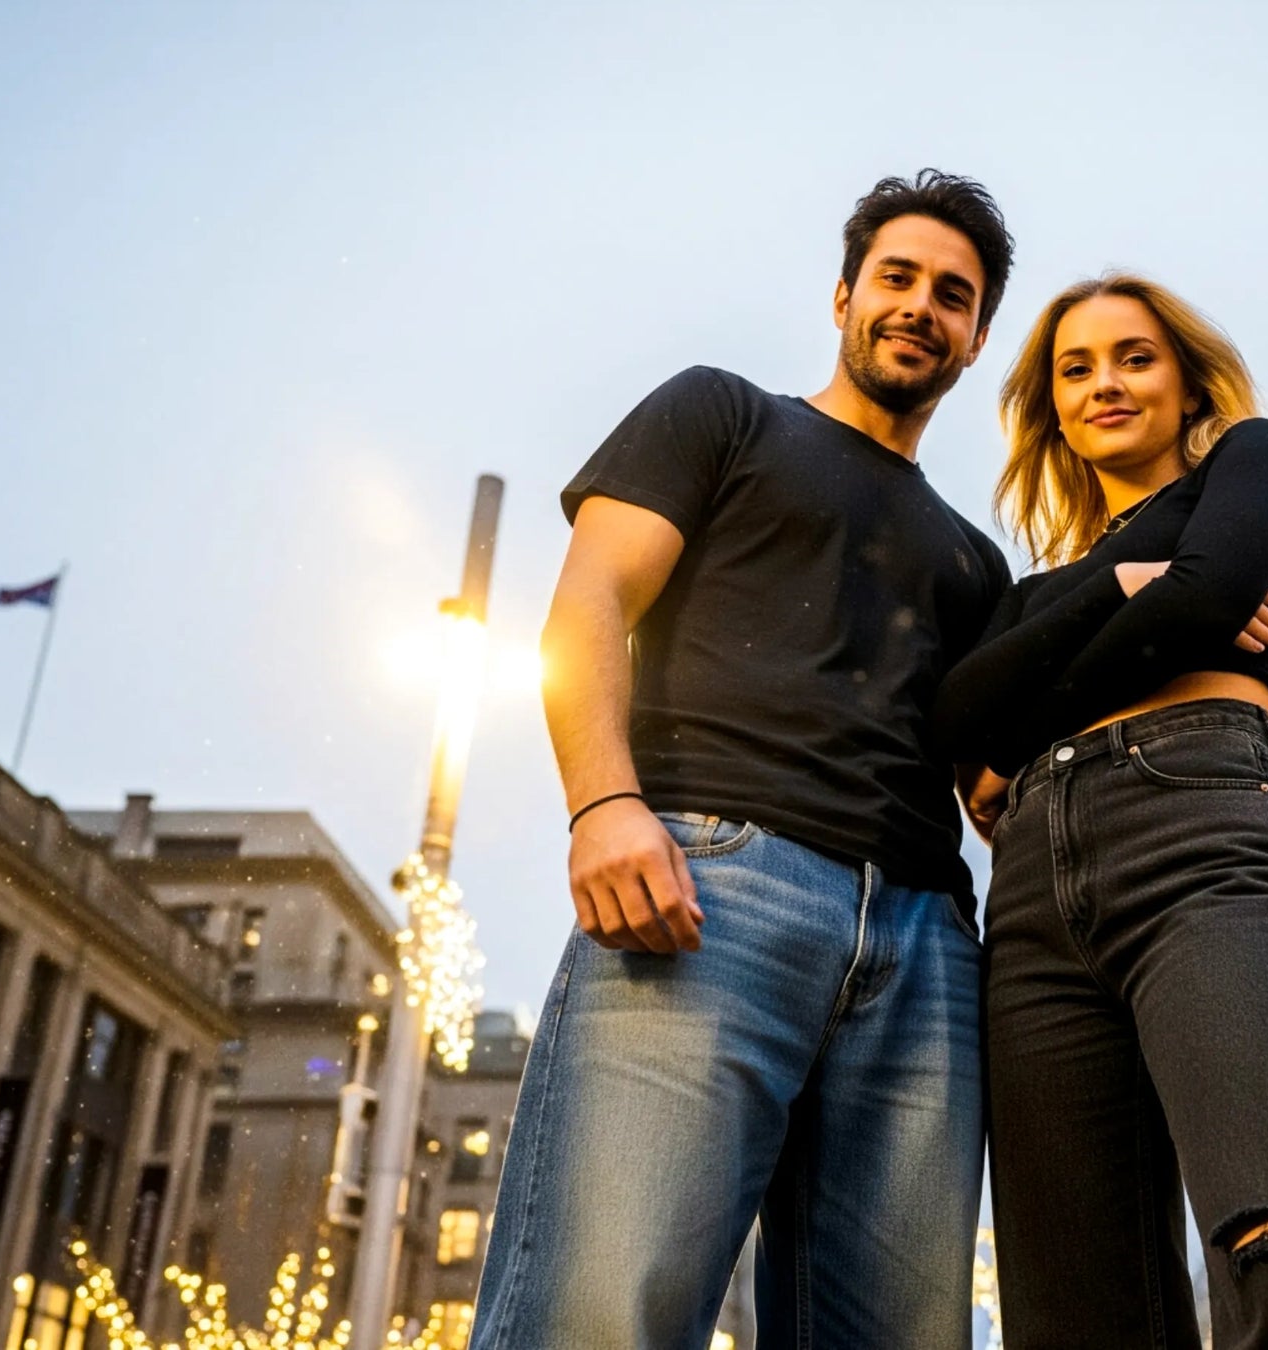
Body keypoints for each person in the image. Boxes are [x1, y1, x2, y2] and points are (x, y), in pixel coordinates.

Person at [469, 170, 1015, 1350]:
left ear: (977, 339)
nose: (922, 305)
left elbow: (992, 790)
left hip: (925, 946)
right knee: (603, 1315)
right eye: (899, 278)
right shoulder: (723, 414)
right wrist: (603, 803)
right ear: (843, 296)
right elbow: (592, 604)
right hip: (710, 884)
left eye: (955, 295)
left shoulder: (977, 563)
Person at [934, 273, 1268, 1348]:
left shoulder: (1256, 462)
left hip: (1196, 833)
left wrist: (1030, 709)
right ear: (1051, 405)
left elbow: (1203, 596)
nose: (1105, 382)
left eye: (1134, 357)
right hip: (1028, 909)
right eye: (1076, 366)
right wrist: (1120, 591)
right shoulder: (1038, 587)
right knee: (1075, 1317)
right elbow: (956, 709)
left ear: (1189, 384)